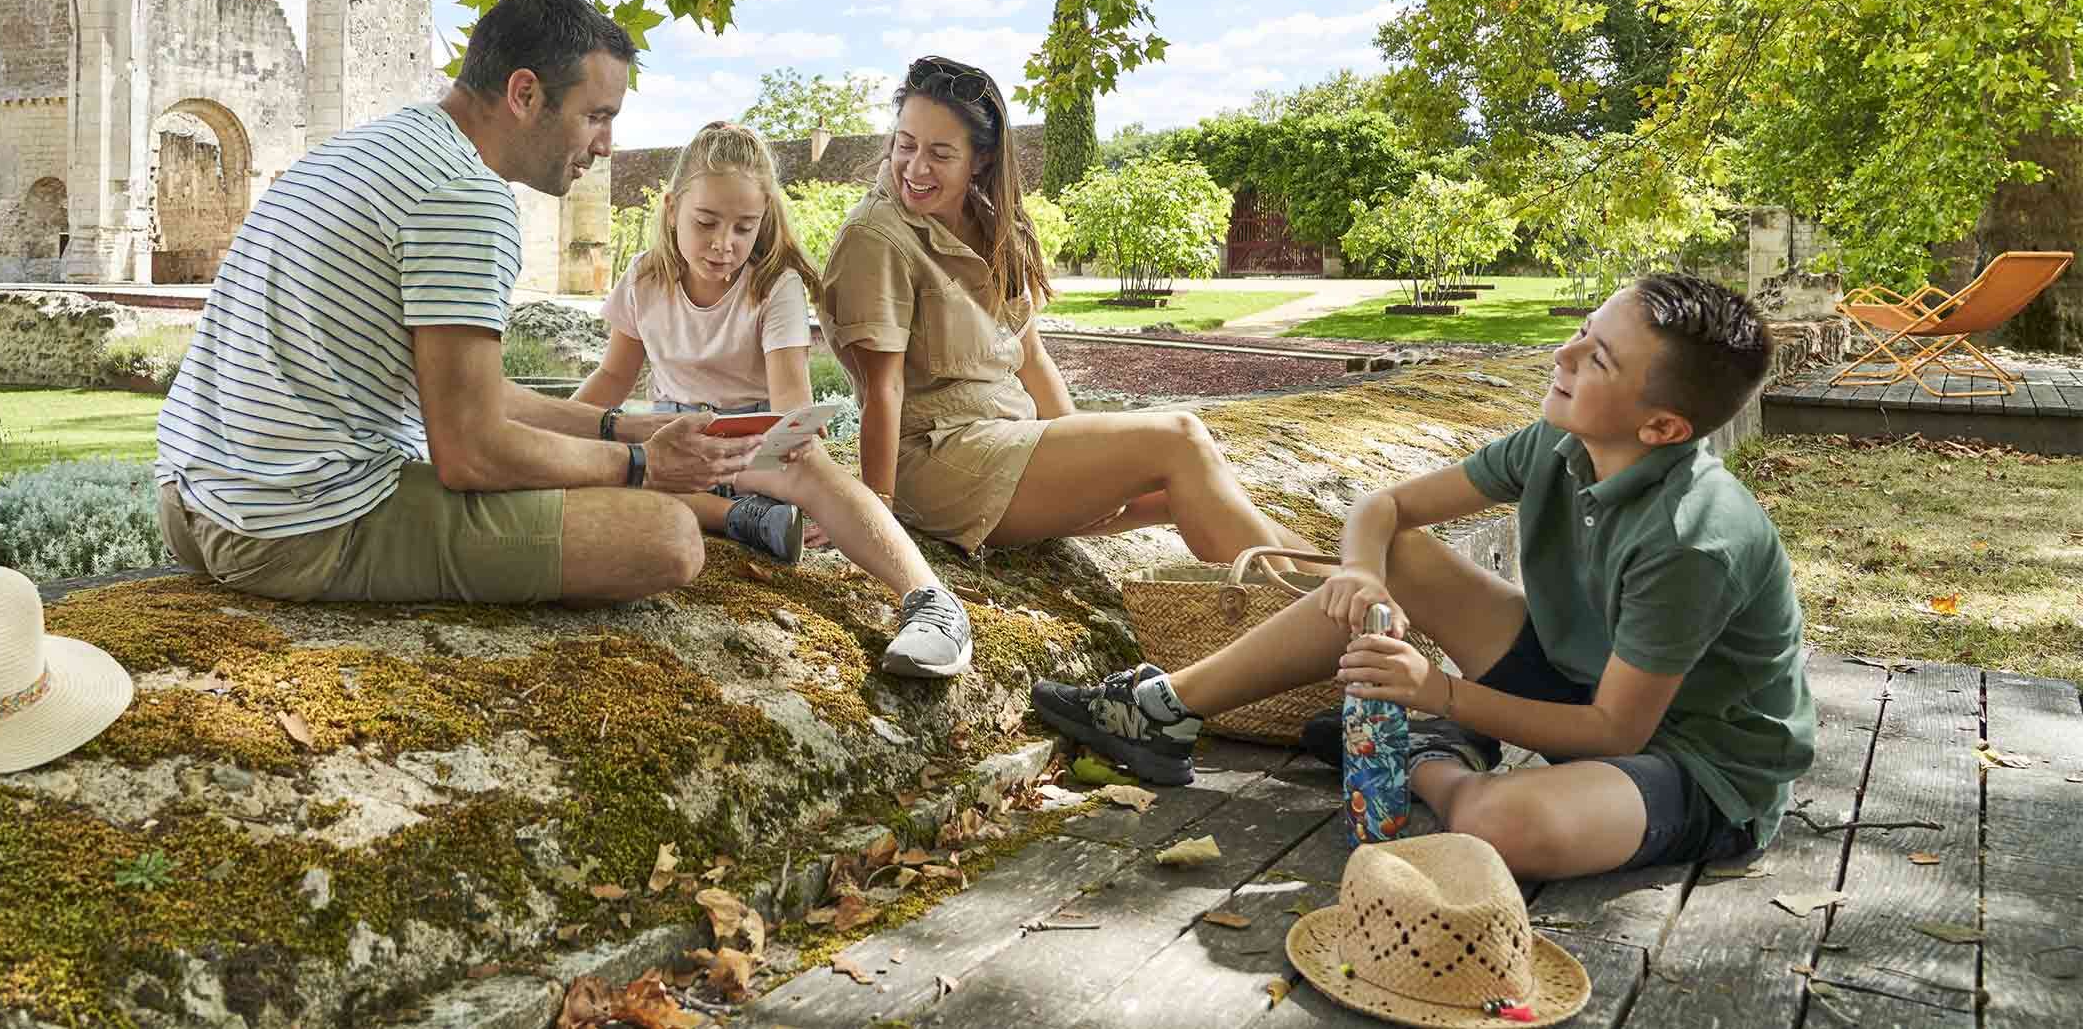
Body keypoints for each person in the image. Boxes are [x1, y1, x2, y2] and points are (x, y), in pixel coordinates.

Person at [1032, 274, 1817, 883]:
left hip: (1695, 767)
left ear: (1662, 428)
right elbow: (1384, 505)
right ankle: (1163, 709)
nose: (1561, 357)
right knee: (1394, 558)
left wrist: (1436, 696)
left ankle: (1430, 756)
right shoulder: (1558, 442)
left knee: (1496, 826)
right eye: (1580, 333)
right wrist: (1365, 580)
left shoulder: (1691, 539)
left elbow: (1618, 733)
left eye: (1595, 359)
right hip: (1576, 682)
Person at [155, 0, 762, 608]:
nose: (605, 145)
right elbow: (471, 453)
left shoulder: (363, 150)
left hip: (189, 507)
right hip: (297, 528)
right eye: (597, 116)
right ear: (524, 94)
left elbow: (470, 393)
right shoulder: (465, 196)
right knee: (666, 535)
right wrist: (642, 466)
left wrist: (621, 428)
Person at [817, 54, 1317, 566]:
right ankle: (1308, 620)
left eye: (940, 153)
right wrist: (874, 516)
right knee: (1181, 438)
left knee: (1197, 488)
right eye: (906, 144)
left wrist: (1076, 447)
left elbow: (1030, 356)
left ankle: (1346, 598)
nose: (916, 167)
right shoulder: (874, 236)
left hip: (1015, 441)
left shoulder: (995, 223)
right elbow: (883, 387)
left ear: (981, 160)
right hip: (942, 464)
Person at [574, 121, 974, 677]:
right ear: (671, 208)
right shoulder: (644, 279)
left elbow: (790, 401)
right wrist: (559, 432)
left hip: (746, 444)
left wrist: (796, 438)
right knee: (601, 465)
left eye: (744, 227)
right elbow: (613, 378)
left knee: (807, 465)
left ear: (763, 221)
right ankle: (743, 518)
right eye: (706, 223)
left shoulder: (773, 286)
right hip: (669, 440)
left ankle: (930, 601)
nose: (723, 244)